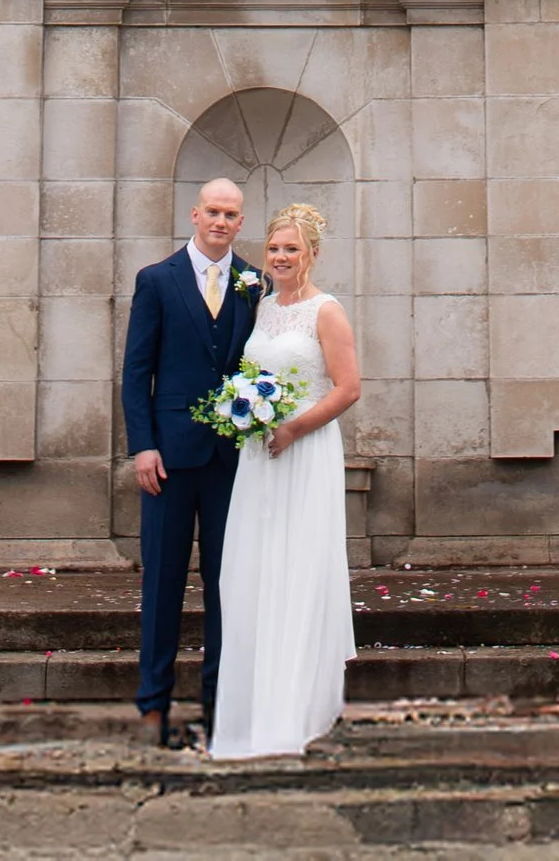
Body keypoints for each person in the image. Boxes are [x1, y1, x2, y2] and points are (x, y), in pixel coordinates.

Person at [208, 202, 360, 760]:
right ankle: (251, 715)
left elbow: (347, 388)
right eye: (274, 248)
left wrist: (293, 429)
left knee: (297, 571)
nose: (280, 257)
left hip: (305, 449)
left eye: (291, 248)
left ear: (312, 254)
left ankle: (296, 713)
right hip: (259, 454)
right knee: (251, 573)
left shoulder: (327, 311)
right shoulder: (262, 309)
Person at [121, 176, 262, 747]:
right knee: (163, 582)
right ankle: (152, 706)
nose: (221, 221)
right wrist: (143, 445)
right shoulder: (157, 280)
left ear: (240, 221)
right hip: (169, 458)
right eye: (213, 211)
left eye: (231, 214)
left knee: (227, 584)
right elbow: (137, 370)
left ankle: (218, 705)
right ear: (194, 214)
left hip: (233, 460)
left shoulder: (255, 284)